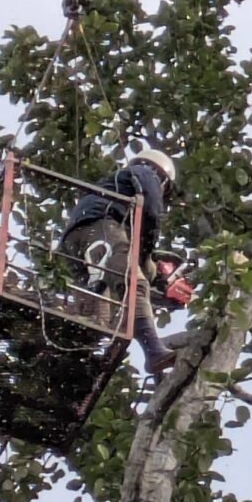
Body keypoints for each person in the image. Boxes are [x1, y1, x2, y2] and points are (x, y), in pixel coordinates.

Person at [60, 150, 177, 374]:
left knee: (97, 313)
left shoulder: (114, 184)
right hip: (100, 225)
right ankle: (154, 351)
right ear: (163, 178)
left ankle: (78, 359)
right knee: (133, 283)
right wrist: (145, 255)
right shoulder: (146, 172)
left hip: (73, 240)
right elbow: (151, 211)